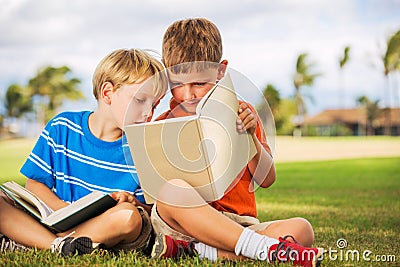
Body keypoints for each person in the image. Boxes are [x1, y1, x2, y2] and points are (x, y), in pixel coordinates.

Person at [149, 18, 323, 267]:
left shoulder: (242, 113)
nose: (188, 94)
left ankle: (197, 252)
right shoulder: (163, 123)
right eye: (177, 84)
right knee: (172, 191)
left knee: (302, 229)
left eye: (199, 83)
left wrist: (250, 136)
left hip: (239, 224)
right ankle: (264, 249)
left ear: (221, 71)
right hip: (186, 225)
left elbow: (267, 179)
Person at [0, 48, 167, 255]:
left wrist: (136, 203)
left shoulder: (143, 149)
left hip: (108, 225)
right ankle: (60, 245)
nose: (148, 113)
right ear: (107, 93)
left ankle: (41, 242)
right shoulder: (62, 127)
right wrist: (64, 212)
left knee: (129, 217)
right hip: (57, 217)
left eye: (155, 104)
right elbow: (35, 183)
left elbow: (153, 213)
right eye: (140, 100)